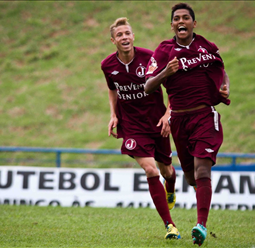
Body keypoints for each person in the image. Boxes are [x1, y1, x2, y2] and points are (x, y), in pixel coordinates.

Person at [144, 3, 231, 246]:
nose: (181, 21)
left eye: (186, 18)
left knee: (203, 170)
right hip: (179, 121)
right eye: (176, 19)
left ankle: (200, 225)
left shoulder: (207, 46)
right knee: (192, 178)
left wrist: (225, 88)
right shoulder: (163, 51)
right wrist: (165, 74)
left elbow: (221, 70)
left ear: (194, 23)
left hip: (205, 116)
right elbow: (148, 86)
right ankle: (198, 193)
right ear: (172, 25)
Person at [101, 17, 181, 240]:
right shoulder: (107, 65)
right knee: (150, 170)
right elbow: (112, 89)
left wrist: (168, 114)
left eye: (127, 33)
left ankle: (171, 187)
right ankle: (170, 226)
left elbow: (172, 86)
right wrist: (113, 114)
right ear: (113, 40)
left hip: (157, 123)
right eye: (119, 35)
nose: (124, 37)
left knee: (167, 171)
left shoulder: (150, 58)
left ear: (133, 36)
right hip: (132, 126)